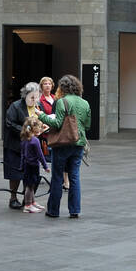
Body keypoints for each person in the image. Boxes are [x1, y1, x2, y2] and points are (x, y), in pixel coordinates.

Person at [37, 74, 91, 219]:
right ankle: (75, 210)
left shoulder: (62, 102)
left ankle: (53, 210)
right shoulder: (85, 103)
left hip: (62, 145)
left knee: (57, 177)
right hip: (78, 143)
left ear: (63, 87)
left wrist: (41, 115)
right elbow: (87, 125)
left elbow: (56, 123)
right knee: (74, 176)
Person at [4, 81, 41, 210]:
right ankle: (13, 198)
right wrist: (27, 131)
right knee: (15, 173)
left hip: (31, 147)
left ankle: (28, 199)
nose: (34, 100)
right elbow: (10, 123)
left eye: (36, 97)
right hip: (16, 145)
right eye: (32, 97)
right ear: (25, 95)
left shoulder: (38, 107)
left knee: (30, 173)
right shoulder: (15, 106)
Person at [19, 118, 48, 214]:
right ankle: (27, 205)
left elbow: (22, 154)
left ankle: (32, 202)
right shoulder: (35, 140)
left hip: (27, 166)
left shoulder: (24, 139)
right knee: (30, 186)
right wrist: (45, 166)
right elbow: (40, 155)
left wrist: (21, 166)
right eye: (39, 127)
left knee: (30, 185)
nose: (40, 129)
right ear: (34, 128)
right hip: (33, 166)